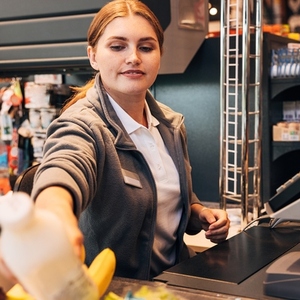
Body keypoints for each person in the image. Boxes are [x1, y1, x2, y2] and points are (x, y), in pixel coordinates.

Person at [0, 0, 230, 282]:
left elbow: (170, 196)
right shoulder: (83, 124)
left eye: (146, 47)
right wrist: (54, 217)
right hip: (116, 289)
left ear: (160, 54)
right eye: (117, 46)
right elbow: (63, 168)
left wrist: (200, 213)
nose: (133, 57)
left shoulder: (170, 124)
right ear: (93, 56)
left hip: (178, 281)